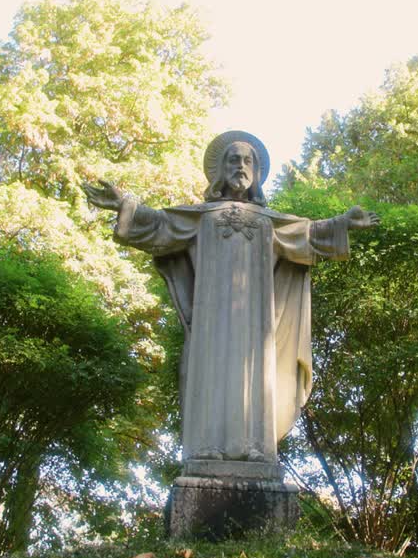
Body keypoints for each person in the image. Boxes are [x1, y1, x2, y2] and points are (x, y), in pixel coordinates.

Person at [82, 130, 379, 467]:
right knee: (209, 374)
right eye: (234, 159)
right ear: (221, 169)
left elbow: (308, 233)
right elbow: (160, 224)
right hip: (211, 320)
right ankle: (207, 447)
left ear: (256, 172)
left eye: (247, 160)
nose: (241, 165)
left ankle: (257, 447)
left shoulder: (269, 222)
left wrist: (344, 223)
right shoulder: (201, 217)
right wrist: (124, 203)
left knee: (257, 377)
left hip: (256, 324)